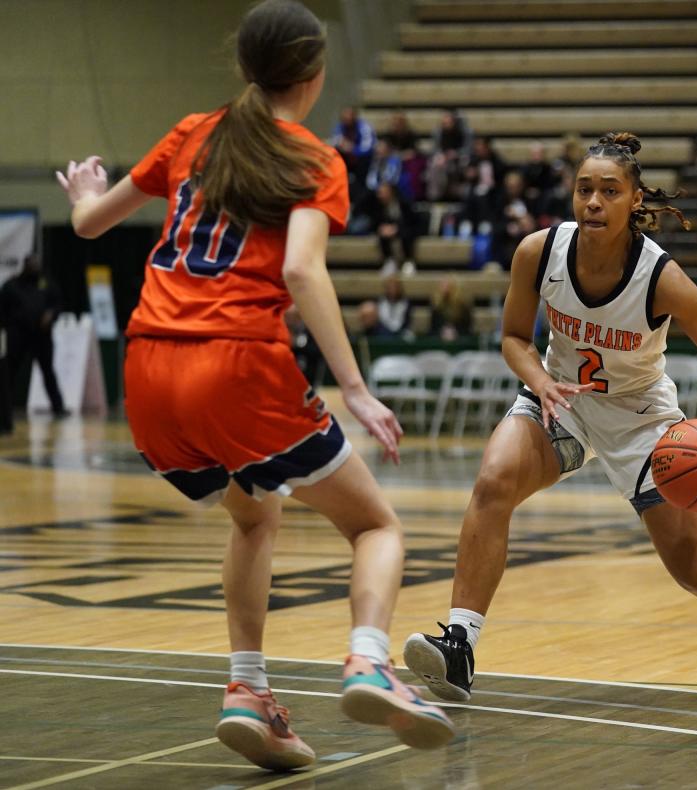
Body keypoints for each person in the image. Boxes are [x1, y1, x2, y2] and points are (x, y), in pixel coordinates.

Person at [55, 0, 453, 769]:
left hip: (147, 370)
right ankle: (370, 662)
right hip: (234, 363)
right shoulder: (313, 158)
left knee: (254, 517)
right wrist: (356, 387)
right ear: (313, 74)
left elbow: (89, 226)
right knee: (376, 528)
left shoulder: (190, 132)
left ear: (244, 67)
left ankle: (248, 692)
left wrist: (80, 192)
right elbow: (302, 270)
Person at [403, 132, 697, 703]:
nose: (593, 202)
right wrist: (540, 382)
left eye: (609, 191)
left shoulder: (662, 278)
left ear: (634, 201)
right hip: (561, 398)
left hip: (642, 421)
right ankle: (459, 643)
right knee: (492, 481)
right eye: (584, 189)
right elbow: (512, 338)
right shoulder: (539, 251)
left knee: (693, 570)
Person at [0, 253, 68, 418]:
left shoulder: (47, 284)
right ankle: (4, 409)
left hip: (41, 335)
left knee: (47, 371)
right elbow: (2, 310)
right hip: (18, 334)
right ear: (25, 266)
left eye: (37, 264)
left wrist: (51, 314)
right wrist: (10, 325)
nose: (34, 267)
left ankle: (58, 408)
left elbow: (58, 304)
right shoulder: (12, 285)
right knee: (9, 372)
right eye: (31, 264)